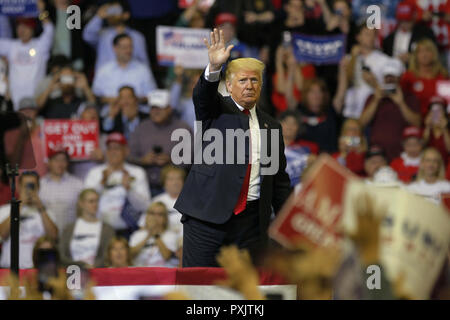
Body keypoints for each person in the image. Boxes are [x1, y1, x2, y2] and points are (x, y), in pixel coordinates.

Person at [174, 29, 292, 267]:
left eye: (254, 80)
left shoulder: (272, 126)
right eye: (242, 80)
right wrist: (214, 68)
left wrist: (290, 224)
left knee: (244, 291)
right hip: (206, 218)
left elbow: (278, 181)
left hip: (250, 226)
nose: (249, 85)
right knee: (199, 289)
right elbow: (203, 96)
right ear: (228, 85)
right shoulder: (216, 110)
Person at [84, 132, 151, 237]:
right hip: (100, 230)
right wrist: (101, 184)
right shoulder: (95, 173)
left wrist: (129, 190)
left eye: (117, 148)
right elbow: (84, 204)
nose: (113, 152)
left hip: (129, 229)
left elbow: (145, 206)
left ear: (126, 151)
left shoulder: (137, 172)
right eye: (110, 148)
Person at [128, 89, 192, 196]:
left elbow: (193, 159)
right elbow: (129, 156)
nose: (156, 111)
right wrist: (143, 160)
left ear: (169, 109)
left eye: (160, 108)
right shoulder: (141, 128)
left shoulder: (183, 128)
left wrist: (171, 160)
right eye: (153, 108)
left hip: (175, 189)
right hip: (145, 186)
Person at [359, 58, 421, 161]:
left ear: (400, 78)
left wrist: (401, 103)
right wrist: (376, 100)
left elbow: (417, 123)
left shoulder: (409, 97)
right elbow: (361, 123)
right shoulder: (373, 97)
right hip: (378, 155)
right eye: (387, 76)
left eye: (393, 76)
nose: (389, 79)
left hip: (402, 154)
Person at [0, 0, 54, 109]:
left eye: (26, 26)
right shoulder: (11, 46)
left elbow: (49, 29)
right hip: (14, 101)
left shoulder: (40, 45)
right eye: (19, 26)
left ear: (32, 29)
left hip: (35, 102)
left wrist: (41, 11)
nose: (22, 30)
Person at [333, 23, 393, 119]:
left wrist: (374, 83)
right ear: (358, 37)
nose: (371, 38)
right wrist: (354, 57)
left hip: (373, 112)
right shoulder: (348, 59)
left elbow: (389, 91)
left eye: (373, 34)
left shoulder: (385, 60)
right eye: (367, 34)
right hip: (350, 112)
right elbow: (346, 83)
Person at [0, 171, 58, 269]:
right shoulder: (5, 210)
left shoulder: (47, 212)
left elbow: (54, 237)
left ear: (38, 187)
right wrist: (20, 205)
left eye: (32, 186)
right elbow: (2, 234)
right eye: (26, 186)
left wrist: (40, 207)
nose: (29, 190)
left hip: (38, 268)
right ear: (19, 187)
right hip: (9, 268)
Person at [83, 0, 149, 73]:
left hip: (131, 79)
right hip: (106, 79)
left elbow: (144, 62)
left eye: (115, 10)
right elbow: (87, 36)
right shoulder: (102, 34)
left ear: (126, 15)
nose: (112, 14)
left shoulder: (137, 37)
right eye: (110, 10)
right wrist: (98, 17)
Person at [92, 33, 157, 107]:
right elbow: (96, 96)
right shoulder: (104, 70)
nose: (128, 50)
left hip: (138, 113)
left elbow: (153, 96)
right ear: (115, 48)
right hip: (110, 113)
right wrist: (117, 100)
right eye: (124, 47)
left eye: (130, 47)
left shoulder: (143, 70)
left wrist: (132, 100)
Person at [59, 189, 115, 268]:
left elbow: (107, 255)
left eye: (97, 201)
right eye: (91, 201)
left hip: (98, 273)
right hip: (72, 274)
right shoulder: (68, 229)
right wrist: (80, 265)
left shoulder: (107, 230)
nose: (95, 204)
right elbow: (62, 255)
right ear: (81, 204)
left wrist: (94, 267)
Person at [400, 39, 448, 118]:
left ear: (434, 54)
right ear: (415, 56)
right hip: (414, 119)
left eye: (427, 51)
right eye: (420, 51)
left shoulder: (442, 76)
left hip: (438, 119)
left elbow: (446, 102)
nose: (424, 54)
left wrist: (435, 118)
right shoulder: (408, 77)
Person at [39, 147, 83, 235]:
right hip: (45, 236)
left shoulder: (78, 184)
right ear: (48, 162)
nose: (60, 164)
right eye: (56, 160)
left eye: (63, 160)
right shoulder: (40, 185)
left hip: (70, 235)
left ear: (67, 163)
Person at [383, 1, 437, 65]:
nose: (404, 24)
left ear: (414, 17)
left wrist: (414, 58)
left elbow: (434, 55)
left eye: (407, 20)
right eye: (401, 20)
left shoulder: (426, 34)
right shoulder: (389, 39)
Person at [129, 202, 178, 267]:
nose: (155, 217)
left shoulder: (171, 236)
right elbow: (130, 255)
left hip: (163, 273)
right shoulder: (137, 235)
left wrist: (155, 235)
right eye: (152, 213)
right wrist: (148, 236)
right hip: (141, 273)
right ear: (147, 216)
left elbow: (167, 256)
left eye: (160, 214)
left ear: (165, 219)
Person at [297, 78, 340, 153]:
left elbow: (341, 94)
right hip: (304, 159)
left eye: (319, 91)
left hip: (328, 158)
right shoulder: (299, 111)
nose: (316, 95)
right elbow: (288, 96)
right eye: (312, 91)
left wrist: (342, 69)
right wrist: (292, 69)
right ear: (305, 94)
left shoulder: (330, 111)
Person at [279, 111, 317, 187]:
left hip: (297, 190)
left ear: (298, 127)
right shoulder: (268, 146)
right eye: (286, 122)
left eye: (294, 124)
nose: (289, 126)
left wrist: (313, 161)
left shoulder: (308, 148)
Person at [422, 96, 450, 165]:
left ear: (444, 112)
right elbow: (422, 147)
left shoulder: (448, 129)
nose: (436, 113)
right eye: (433, 110)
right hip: (429, 167)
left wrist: (445, 129)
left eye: (439, 110)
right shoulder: (425, 128)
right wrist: (427, 127)